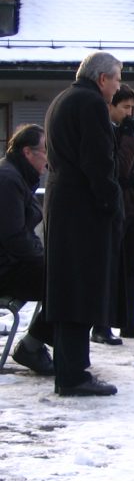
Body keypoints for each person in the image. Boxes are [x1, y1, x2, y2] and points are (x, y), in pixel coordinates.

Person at [43, 51, 124, 397]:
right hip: (83, 211)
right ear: (102, 78)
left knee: (67, 288)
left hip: (62, 205)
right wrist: (110, 202)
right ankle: (74, 374)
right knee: (81, 289)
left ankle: (69, 369)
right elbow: (98, 161)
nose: (118, 87)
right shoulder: (90, 105)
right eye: (118, 79)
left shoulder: (62, 100)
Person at [91, 84, 134, 345]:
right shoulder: (108, 132)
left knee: (130, 268)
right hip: (113, 211)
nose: (130, 113)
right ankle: (102, 325)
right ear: (111, 106)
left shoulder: (128, 134)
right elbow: (116, 169)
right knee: (109, 268)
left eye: (132, 107)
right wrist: (128, 144)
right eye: (125, 107)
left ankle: (130, 322)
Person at [0, 124, 54, 375]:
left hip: (10, 264)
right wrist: (43, 258)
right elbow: (13, 236)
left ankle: (35, 344)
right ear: (27, 152)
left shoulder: (16, 177)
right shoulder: (8, 180)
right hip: (6, 271)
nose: (48, 158)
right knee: (69, 281)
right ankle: (32, 346)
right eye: (45, 150)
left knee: (69, 277)